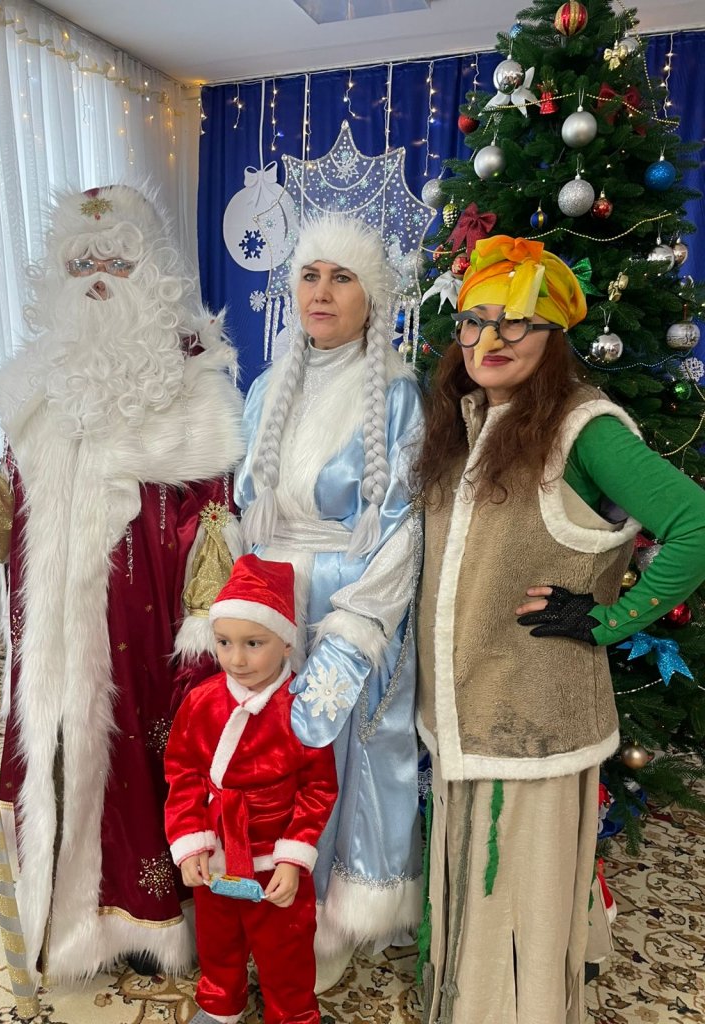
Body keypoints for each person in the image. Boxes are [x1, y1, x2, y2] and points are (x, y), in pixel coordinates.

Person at [0, 185, 245, 981]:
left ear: (153, 272)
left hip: (142, 631)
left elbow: (216, 518)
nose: (97, 278)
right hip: (46, 630)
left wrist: (208, 626)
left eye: (115, 261)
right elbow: (11, 501)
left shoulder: (192, 382)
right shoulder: (38, 384)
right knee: (52, 757)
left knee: (143, 767)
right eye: (81, 263)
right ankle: (61, 918)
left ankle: (144, 923)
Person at [413, 235, 705, 1024]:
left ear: (554, 335)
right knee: (473, 881)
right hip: (465, 708)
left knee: (520, 897)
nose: (491, 338)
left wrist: (610, 620)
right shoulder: (467, 417)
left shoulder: (584, 428)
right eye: (475, 320)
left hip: (534, 714)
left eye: (516, 321)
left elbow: (695, 523)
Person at [235, 213, 425, 990]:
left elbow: (405, 526)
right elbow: (243, 512)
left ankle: (324, 924)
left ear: (370, 296)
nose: (321, 292)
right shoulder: (265, 389)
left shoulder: (399, 395)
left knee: (333, 758)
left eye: (341, 277)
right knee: (263, 759)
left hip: (346, 602)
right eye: (310, 275)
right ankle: (262, 909)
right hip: (268, 604)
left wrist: (355, 629)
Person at [165, 553, 338, 1024]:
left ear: (286, 642)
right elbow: (182, 772)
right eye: (224, 642)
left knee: (287, 947)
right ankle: (221, 1002)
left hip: (273, 859)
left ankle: (293, 1013)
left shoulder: (301, 708)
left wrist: (293, 857)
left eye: (253, 643)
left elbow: (319, 787)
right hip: (218, 851)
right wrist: (192, 842)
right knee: (218, 941)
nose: (236, 659)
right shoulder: (201, 702)